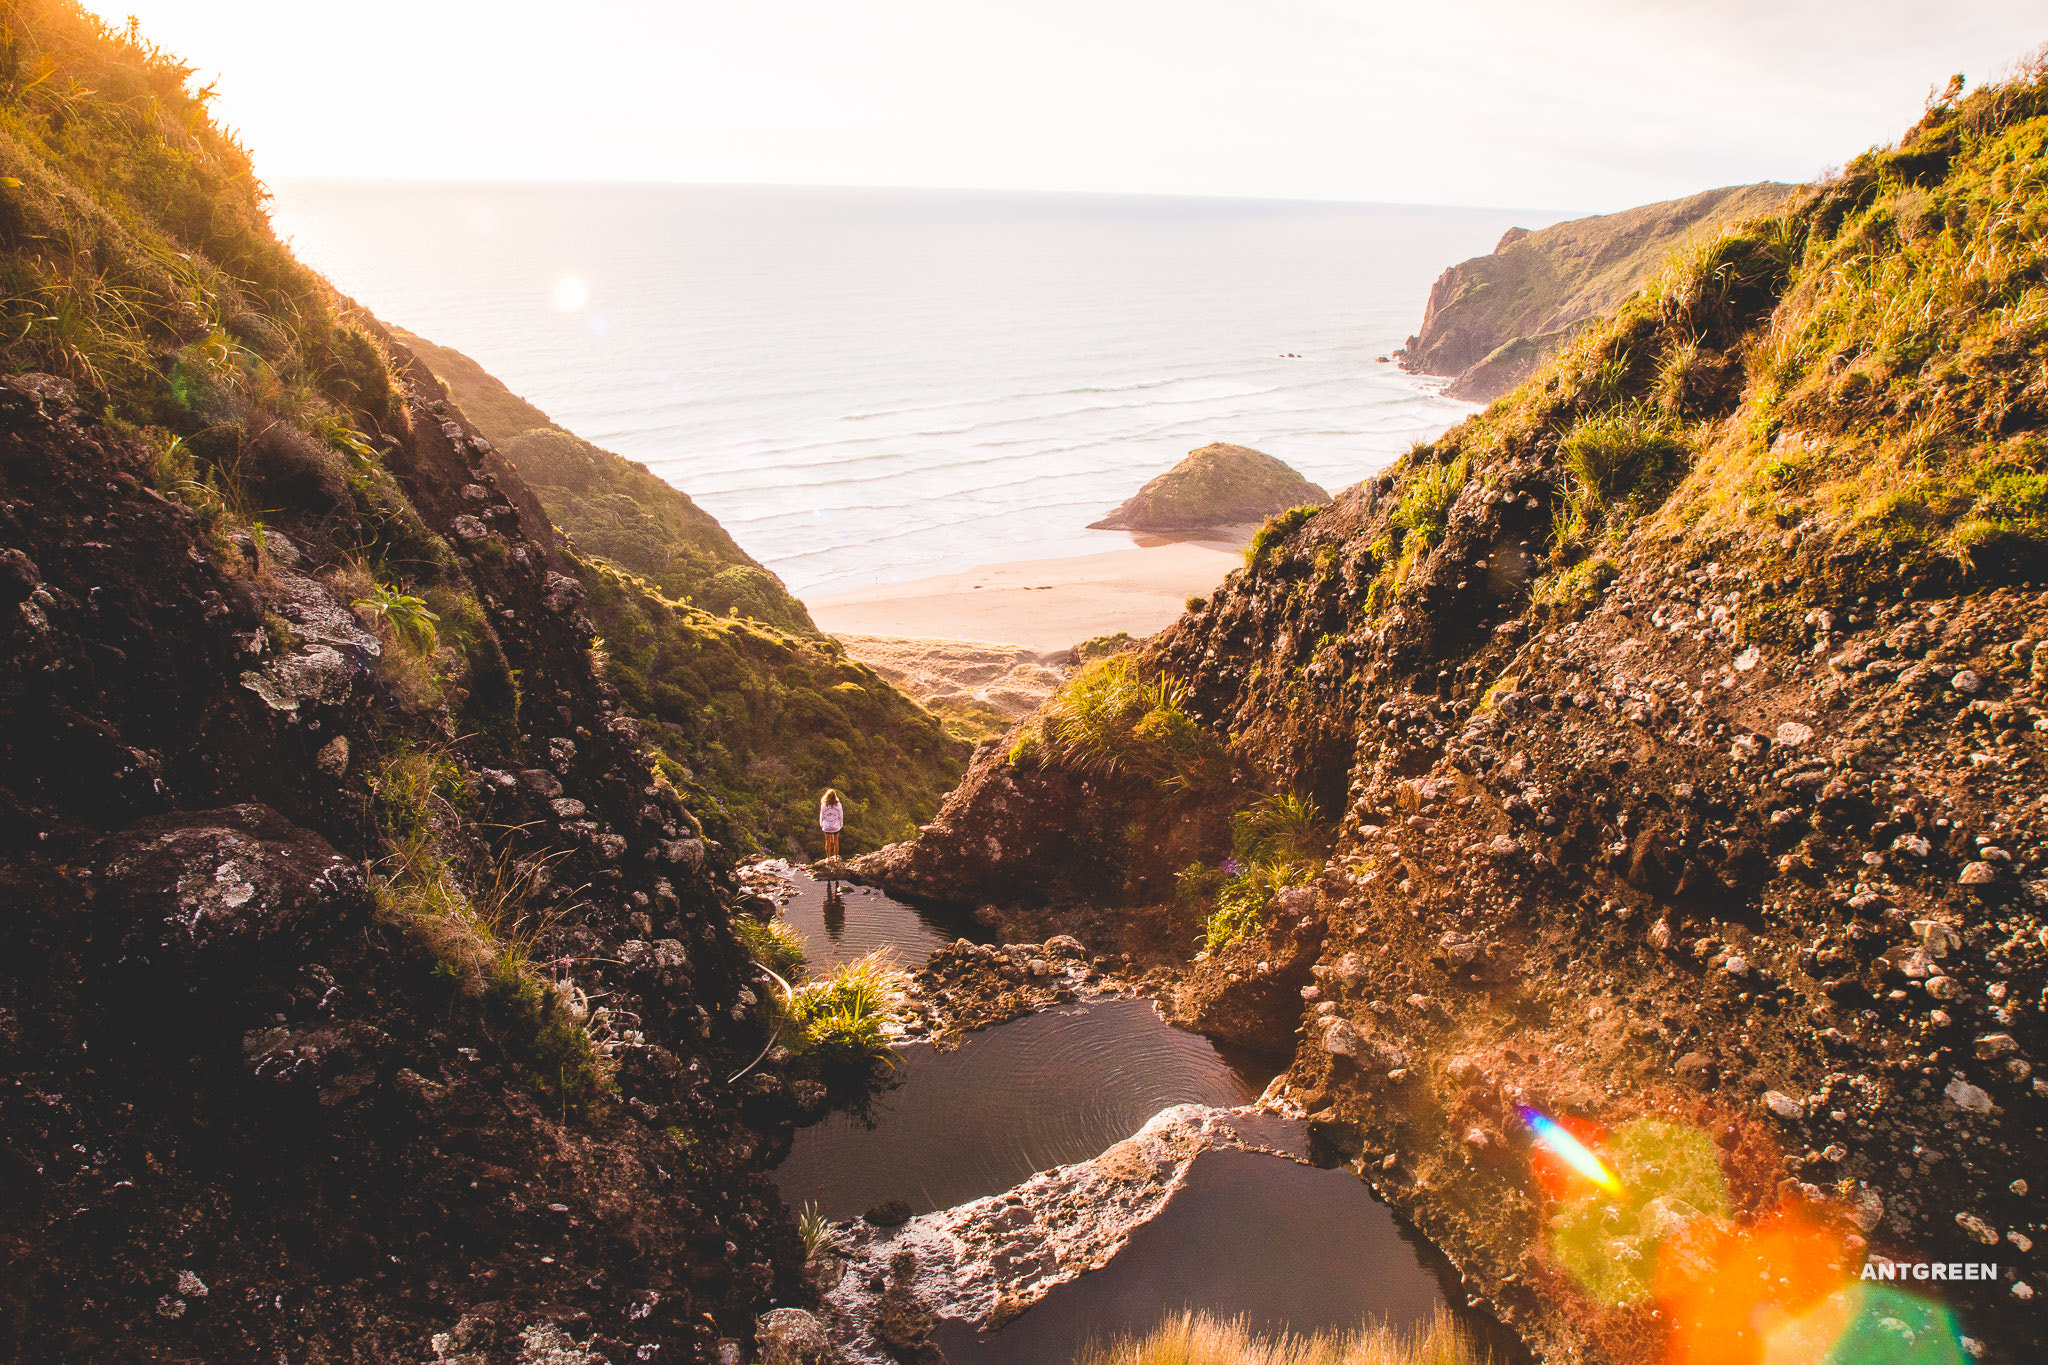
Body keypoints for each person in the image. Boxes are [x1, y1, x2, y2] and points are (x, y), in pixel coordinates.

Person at [818, 788, 844, 859]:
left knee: (828, 842)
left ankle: (828, 858)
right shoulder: (838, 805)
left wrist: (821, 824)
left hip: (826, 826)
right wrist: (841, 823)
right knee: (836, 842)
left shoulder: (824, 805)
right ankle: (836, 858)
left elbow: (822, 815)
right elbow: (840, 815)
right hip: (836, 826)